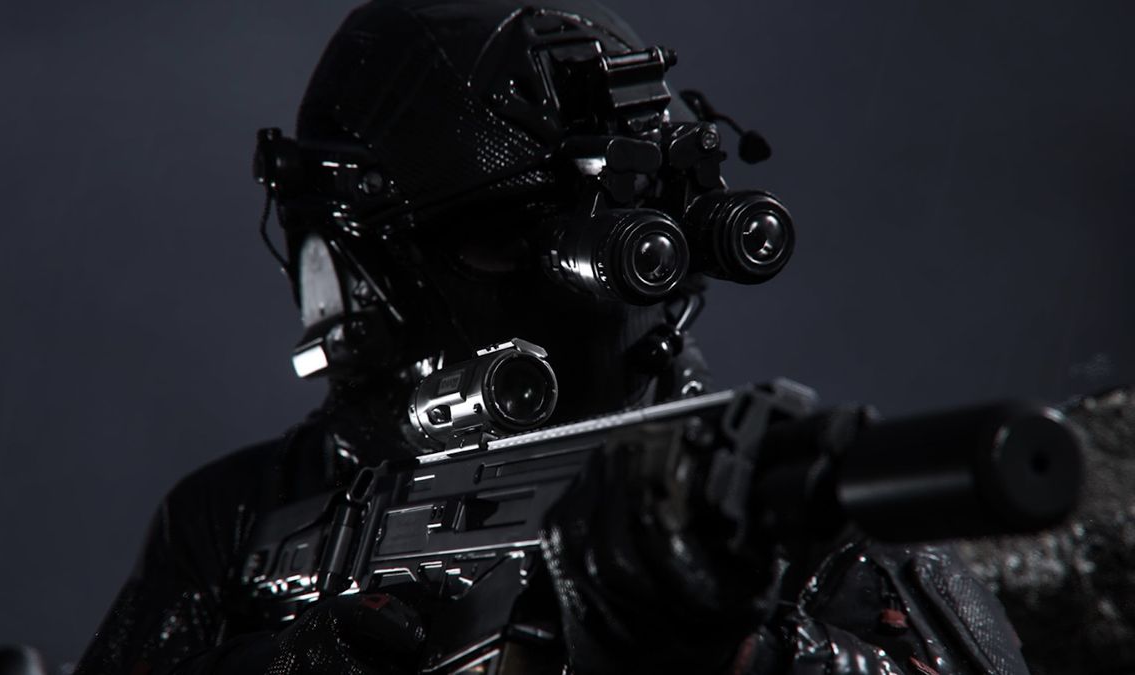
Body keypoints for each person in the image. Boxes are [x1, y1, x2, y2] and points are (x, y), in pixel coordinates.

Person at [74, 1, 1032, 673]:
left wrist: (739, 651)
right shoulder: (246, 523)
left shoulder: (775, 504)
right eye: (497, 239)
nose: (569, 298)